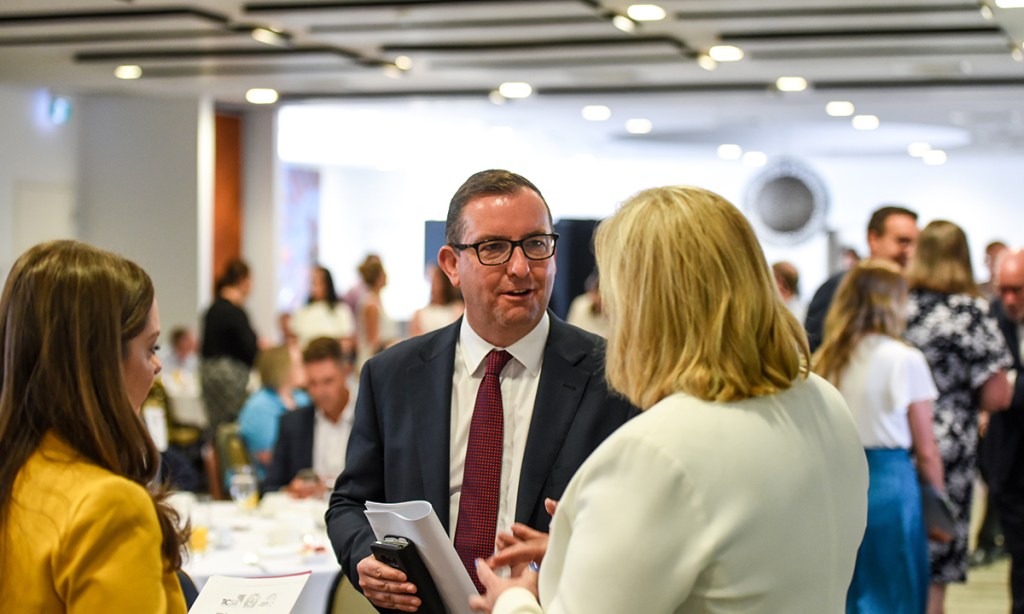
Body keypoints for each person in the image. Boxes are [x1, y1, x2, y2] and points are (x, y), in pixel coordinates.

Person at [471, 186, 868, 613]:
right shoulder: (823, 401)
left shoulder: (655, 450)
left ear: (645, 305)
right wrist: (585, 552)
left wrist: (511, 600)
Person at [325, 169, 636, 611]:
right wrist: (363, 559)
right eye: (493, 248)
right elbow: (349, 503)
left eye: (536, 244)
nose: (520, 267)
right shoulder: (391, 375)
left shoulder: (613, 377)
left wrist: (567, 553)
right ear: (452, 264)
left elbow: (637, 525)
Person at [0, 240, 187, 612]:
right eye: (151, 348)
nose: (157, 367)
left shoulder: (17, 475)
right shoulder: (108, 507)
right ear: (99, 362)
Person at [813, 260, 943, 613]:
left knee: (850, 587)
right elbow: (927, 449)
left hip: (839, 479)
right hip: (890, 481)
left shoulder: (825, 359)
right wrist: (940, 503)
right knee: (896, 585)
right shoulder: (905, 359)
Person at [903, 220, 1012, 613]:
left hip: (895, 442)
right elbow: (997, 394)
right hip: (949, 444)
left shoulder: (896, 307)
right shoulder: (970, 312)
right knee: (939, 560)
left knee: (900, 555)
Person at [805, 205, 919, 351]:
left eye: (915, 244)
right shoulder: (840, 286)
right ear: (873, 239)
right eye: (902, 241)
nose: (910, 252)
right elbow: (815, 351)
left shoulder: (912, 291)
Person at [983, 247, 1024, 612]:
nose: (1010, 299)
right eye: (1004, 289)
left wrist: (1013, 388)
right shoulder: (993, 317)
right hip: (1008, 459)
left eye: (1019, 290)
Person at [265, 337, 356, 498]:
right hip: (305, 516)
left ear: (345, 373)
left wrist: (329, 487)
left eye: (328, 381)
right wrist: (290, 490)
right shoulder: (292, 423)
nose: (320, 392)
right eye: (312, 383)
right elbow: (270, 486)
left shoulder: (370, 418)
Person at [200, 258, 259, 435]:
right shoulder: (235, 312)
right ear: (242, 280)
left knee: (216, 427)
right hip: (230, 378)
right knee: (231, 427)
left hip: (208, 374)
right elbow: (249, 349)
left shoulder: (212, 309)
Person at [237, 345, 310, 481]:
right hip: (271, 481)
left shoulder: (303, 398)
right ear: (282, 369)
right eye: (299, 364)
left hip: (305, 477)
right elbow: (268, 457)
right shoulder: (258, 406)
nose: (305, 368)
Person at [290, 265, 356, 353]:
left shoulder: (340, 310)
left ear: (328, 284)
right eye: (313, 282)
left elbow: (347, 341)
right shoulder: (302, 311)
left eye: (320, 282)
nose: (316, 287)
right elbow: (294, 341)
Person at [355, 256, 399, 370]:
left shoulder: (376, 301)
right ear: (379, 277)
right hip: (373, 361)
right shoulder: (371, 304)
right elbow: (373, 341)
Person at [408, 265, 464, 337]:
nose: (435, 286)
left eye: (438, 281)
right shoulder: (419, 314)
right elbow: (415, 341)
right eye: (432, 281)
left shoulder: (458, 309)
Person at [565, 271, 609, 338]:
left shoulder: (618, 312)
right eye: (595, 293)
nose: (598, 299)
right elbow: (571, 333)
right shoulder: (580, 304)